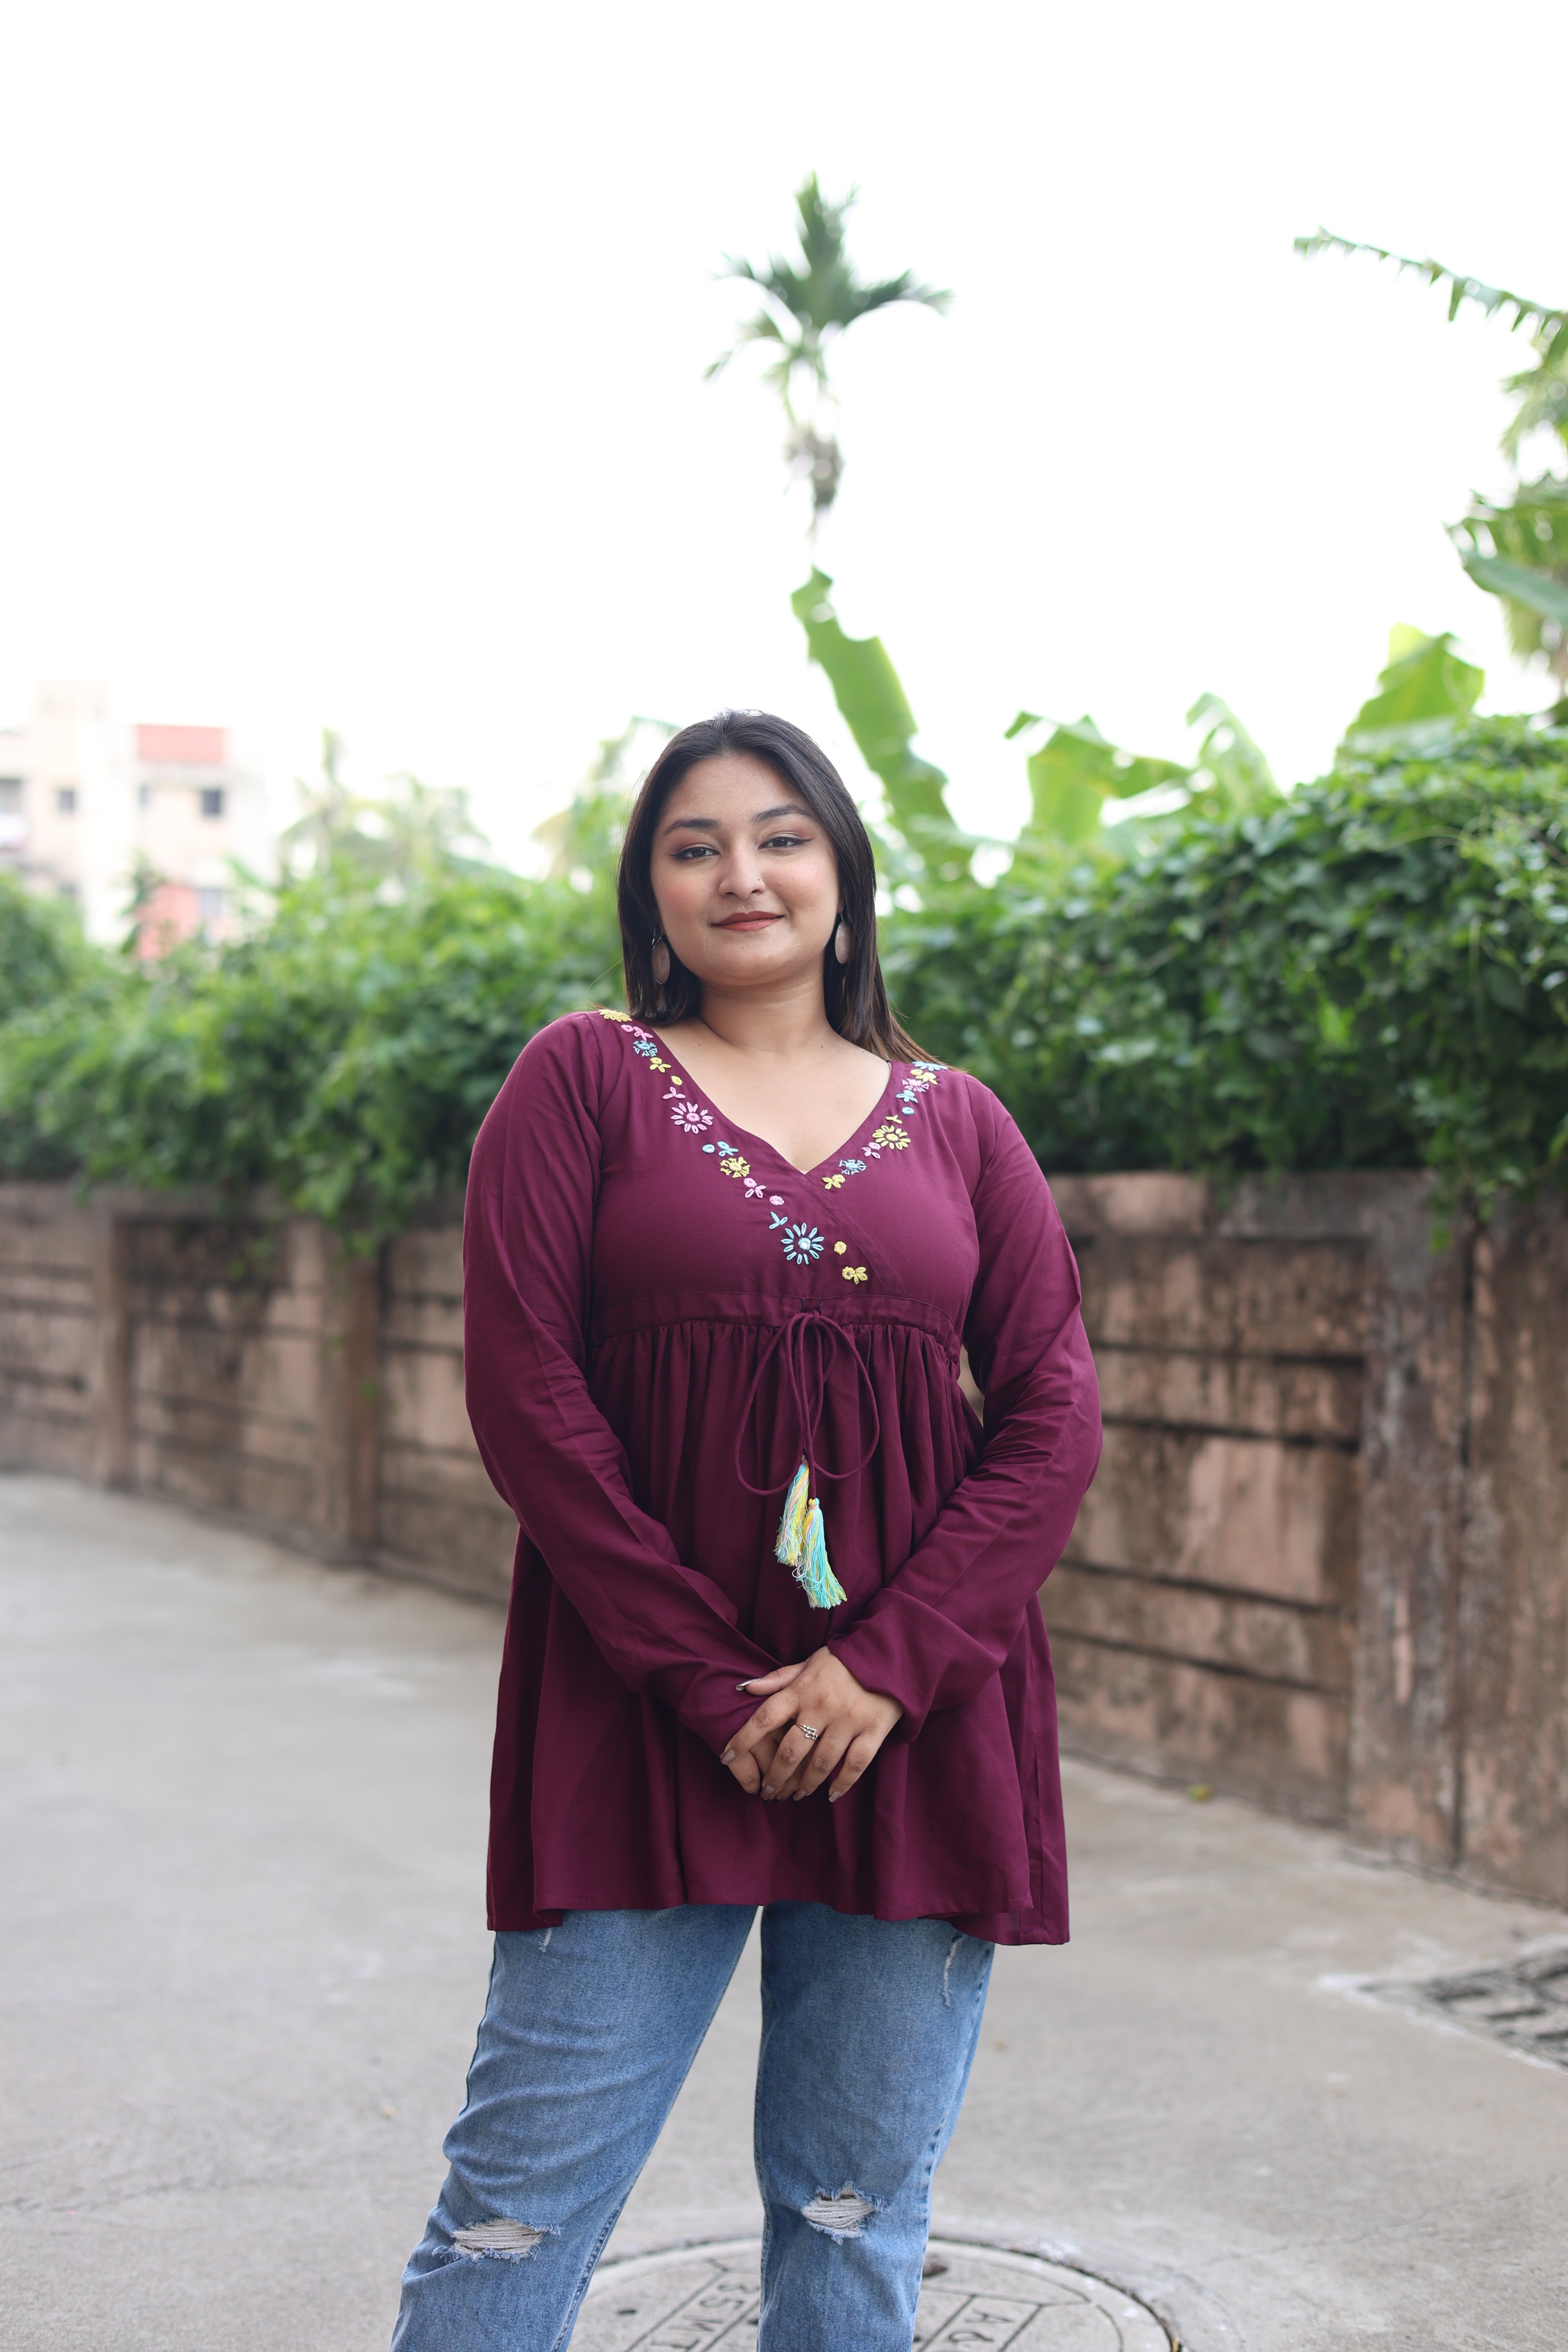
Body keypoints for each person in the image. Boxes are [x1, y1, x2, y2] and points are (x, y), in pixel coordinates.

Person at [390, 710, 1101, 2351]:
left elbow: (1051, 1412)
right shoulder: (583, 1079)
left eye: (781, 836)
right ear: (652, 895)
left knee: (855, 2220)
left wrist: (888, 1667)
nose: (740, 873)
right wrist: (711, 1683)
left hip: (908, 1734)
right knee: (514, 2213)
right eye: (693, 844)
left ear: (843, 880)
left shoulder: (963, 1120)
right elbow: (527, 1397)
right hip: (633, 1723)